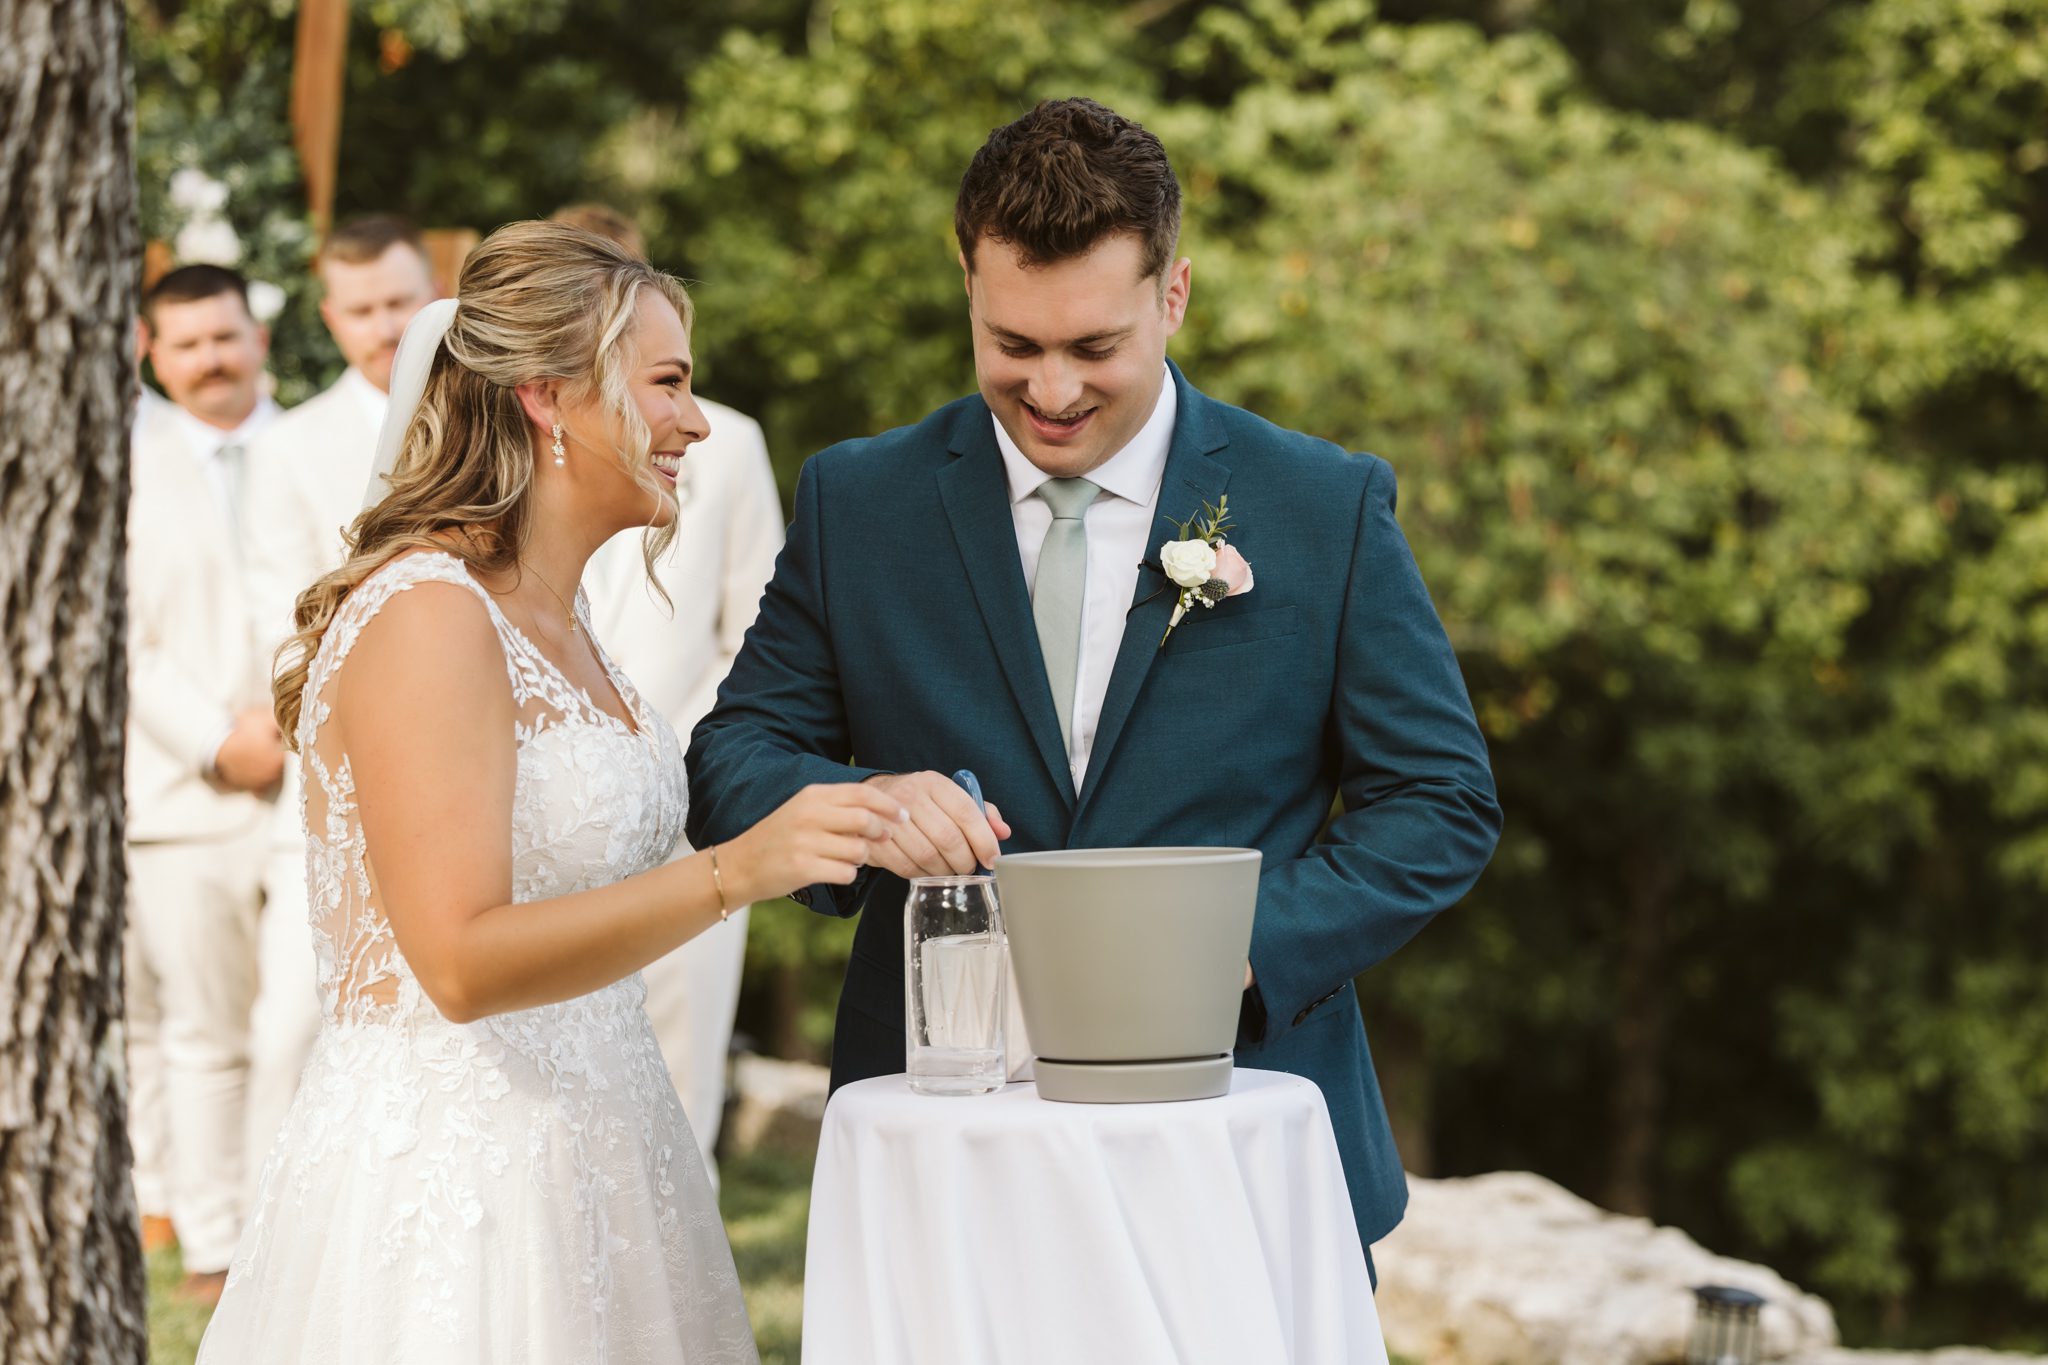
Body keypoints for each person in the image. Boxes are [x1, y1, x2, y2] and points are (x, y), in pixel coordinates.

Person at [686, 98, 1501, 1266]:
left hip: (1238, 1134)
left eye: (1092, 349)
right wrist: (866, 808)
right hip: (946, 1143)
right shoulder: (858, 503)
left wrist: (1240, 946)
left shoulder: (1321, 505)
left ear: (1173, 296)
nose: (1053, 392)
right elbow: (730, 761)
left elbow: (1437, 799)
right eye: (1013, 346)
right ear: (967, 286)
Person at [197, 220, 904, 1362]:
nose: (696, 422)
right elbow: (458, 962)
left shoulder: (558, 621)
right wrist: (735, 872)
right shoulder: (431, 614)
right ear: (548, 398)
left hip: (607, 1151)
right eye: (666, 382)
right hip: (462, 1183)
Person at [559, 202, 786, 1180]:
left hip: (686, 788)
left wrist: (680, 752)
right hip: (545, 808)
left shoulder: (725, 444)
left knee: (683, 1045)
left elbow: (759, 626)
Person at [239, 214, 439, 1172]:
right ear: (328, 316)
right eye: (360, 310)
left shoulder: (494, 415)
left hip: (478, 776)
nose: (383, 326)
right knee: (289, 1030)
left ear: (432, 294)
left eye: (399, 302)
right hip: (334, 781)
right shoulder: (289, 447)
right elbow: (280, 616)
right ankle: (256, 1233)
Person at [127, 263, 285, 1301]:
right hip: (184, 799)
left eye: (225, 336)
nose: (211, 359)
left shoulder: (314, 450)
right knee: (203, 1029)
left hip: (316, 785)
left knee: (302, 1028)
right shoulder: (125, 469)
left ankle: (295, 1233)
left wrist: (290, 721)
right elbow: (120, 638)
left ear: (257, 338)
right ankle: (217, 1246)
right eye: (187, 344)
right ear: (154, 355)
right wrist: (217, 743)